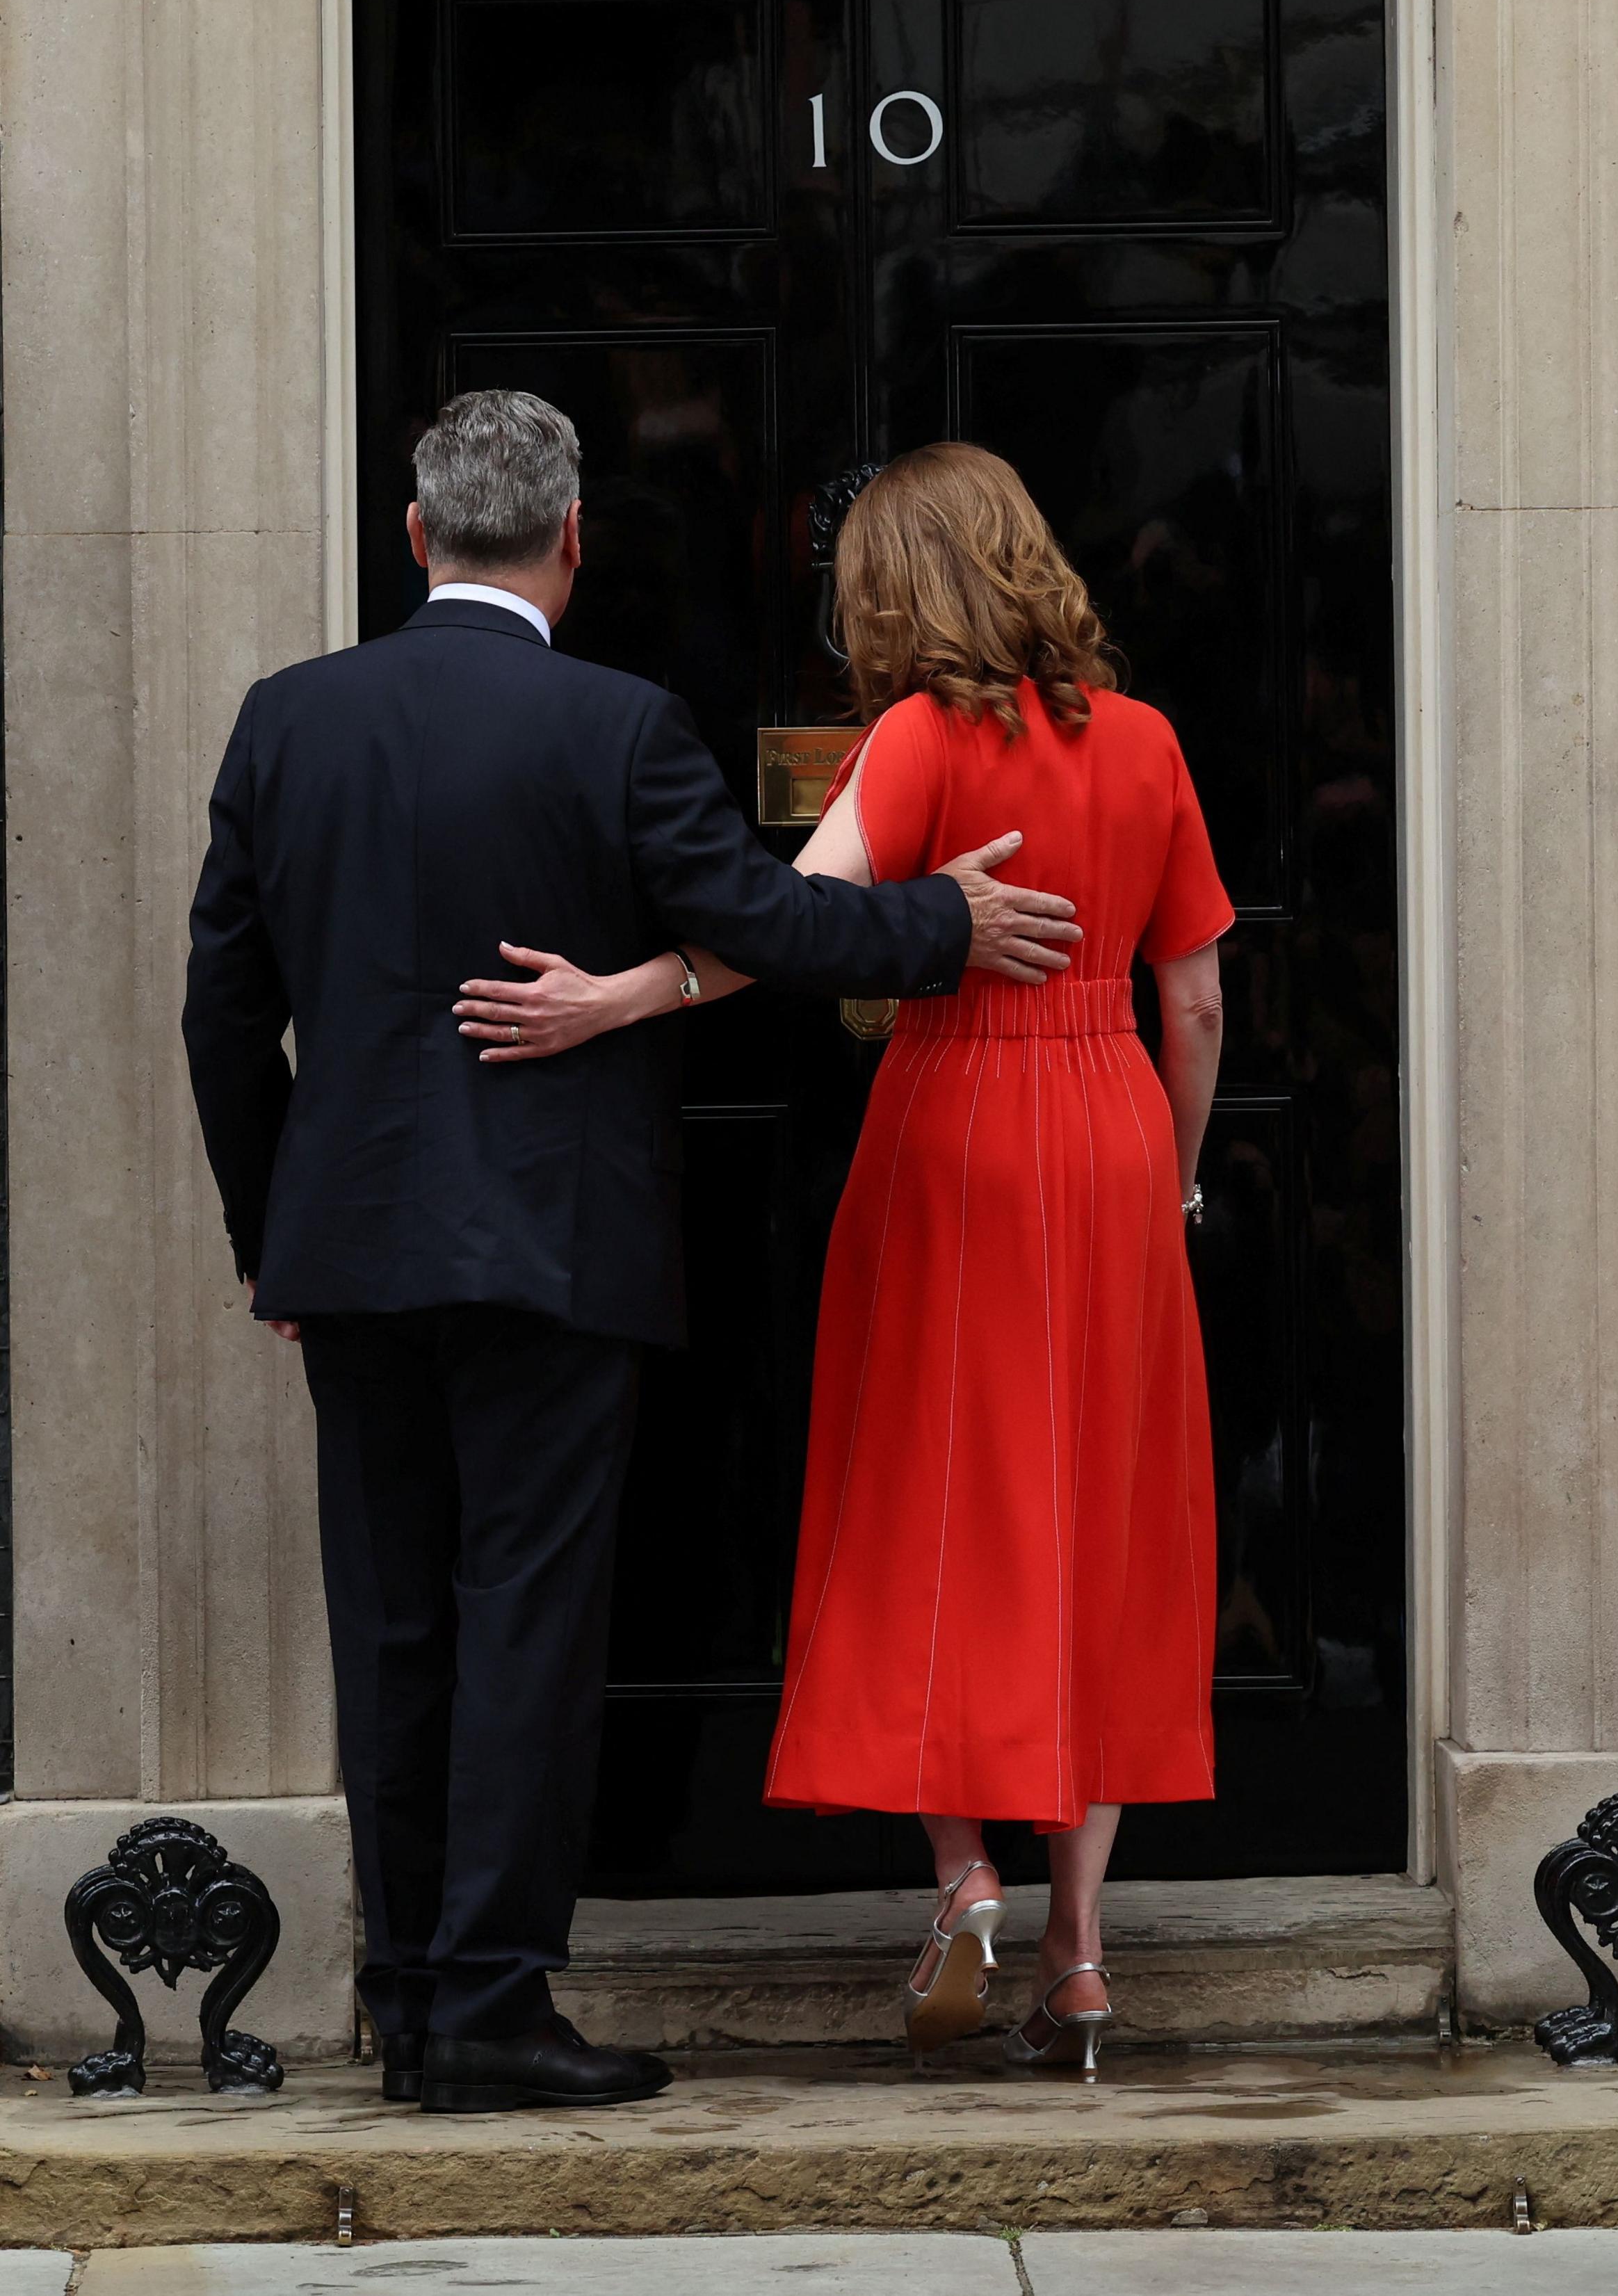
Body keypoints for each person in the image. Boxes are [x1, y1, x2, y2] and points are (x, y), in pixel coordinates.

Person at [181, 394, 1082, 2118]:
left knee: (391, 1631)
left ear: (416, 533)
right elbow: (756, 922)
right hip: (546, 1249)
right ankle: (495, 2006)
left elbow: (224, 1015)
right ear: (572, 540)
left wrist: (264, 1237)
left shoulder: (289, 721)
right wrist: (942, 923)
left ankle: (406, 2004)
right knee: (523, 1624)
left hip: (351, 1257)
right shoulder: (611, 724)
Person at [490, 443, 1230, 2078]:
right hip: (1109, 1133)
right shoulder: (1150, 742)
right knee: (1097, 1523)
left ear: (894, 589)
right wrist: (1166, 1188)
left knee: (927, 1498)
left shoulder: (915, 739)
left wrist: (607, 1000)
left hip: (950, 1132)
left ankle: (962, 1870)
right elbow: (1191, 1002)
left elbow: (771, 926)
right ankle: (1082, 1954)